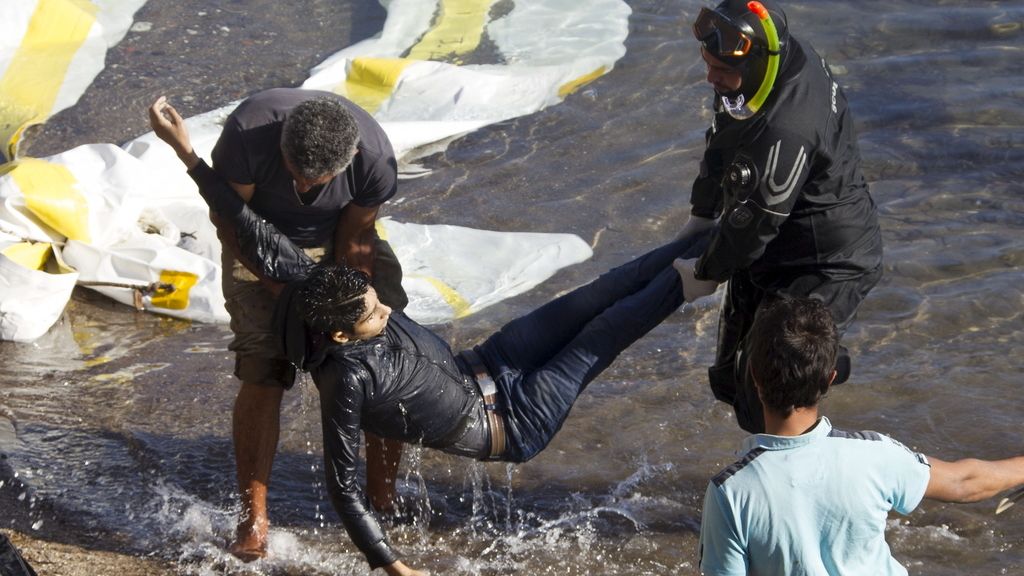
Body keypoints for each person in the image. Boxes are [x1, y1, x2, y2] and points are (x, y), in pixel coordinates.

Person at [150, 97, 717, 576]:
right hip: (511, 421)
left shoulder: (321, 286)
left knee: (591, 297)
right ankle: (709, 271)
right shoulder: (348, 378)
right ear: (345, 334)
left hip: (485, 366)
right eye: (374, 311)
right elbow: (340, 488)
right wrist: (391, 565)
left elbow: (245, 224)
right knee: (606, 331)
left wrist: (186, 154)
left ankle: (697, 236)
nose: (384, 306)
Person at [153, 88, 409, 560]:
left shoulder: (373, 158)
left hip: (337, 243)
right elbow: (230, 220)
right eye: (297, 177)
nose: (307, 189)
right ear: (282, 149)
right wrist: (284, 292)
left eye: (320, 181)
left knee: (381, 364)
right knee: (264, 371)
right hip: (256, 246)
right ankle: (253, 520)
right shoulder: (248, 133)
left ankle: (382, 498)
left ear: (349, 158)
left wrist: (350, 301)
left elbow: (356, 235)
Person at [674, 0, 884, 433]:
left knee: (771, 392)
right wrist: (702, 212)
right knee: (729, 380)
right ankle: (812, 371)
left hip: (827, 263)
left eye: (721, 71)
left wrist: (707, 271)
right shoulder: (770, 65)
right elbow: (724, 137)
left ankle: (822, 372)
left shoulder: (787, 127)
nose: (710, 77)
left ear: (752, 66)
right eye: (707, 64)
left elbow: (753, 227)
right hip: (777, 244)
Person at [698, 297, 1024, 575]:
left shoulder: (730, 492)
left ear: (753, 373)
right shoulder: (874, 455)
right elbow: (965, 482)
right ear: (830, 379)